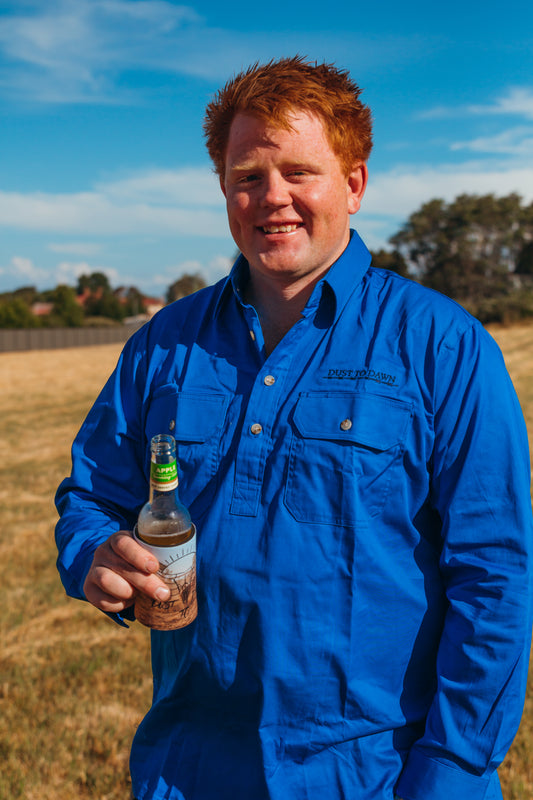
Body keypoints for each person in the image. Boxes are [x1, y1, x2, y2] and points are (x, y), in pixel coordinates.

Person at [55, 56, 533, 800]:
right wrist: (91, 554)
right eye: (248, 175)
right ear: (223, 189)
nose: (271, 197)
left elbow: (494, 576)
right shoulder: (164, 344)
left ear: (354, 184)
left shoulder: (443, 347)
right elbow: (90, 495)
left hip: (378, 769)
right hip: (192, 765)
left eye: (299, 172)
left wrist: (452, 767)